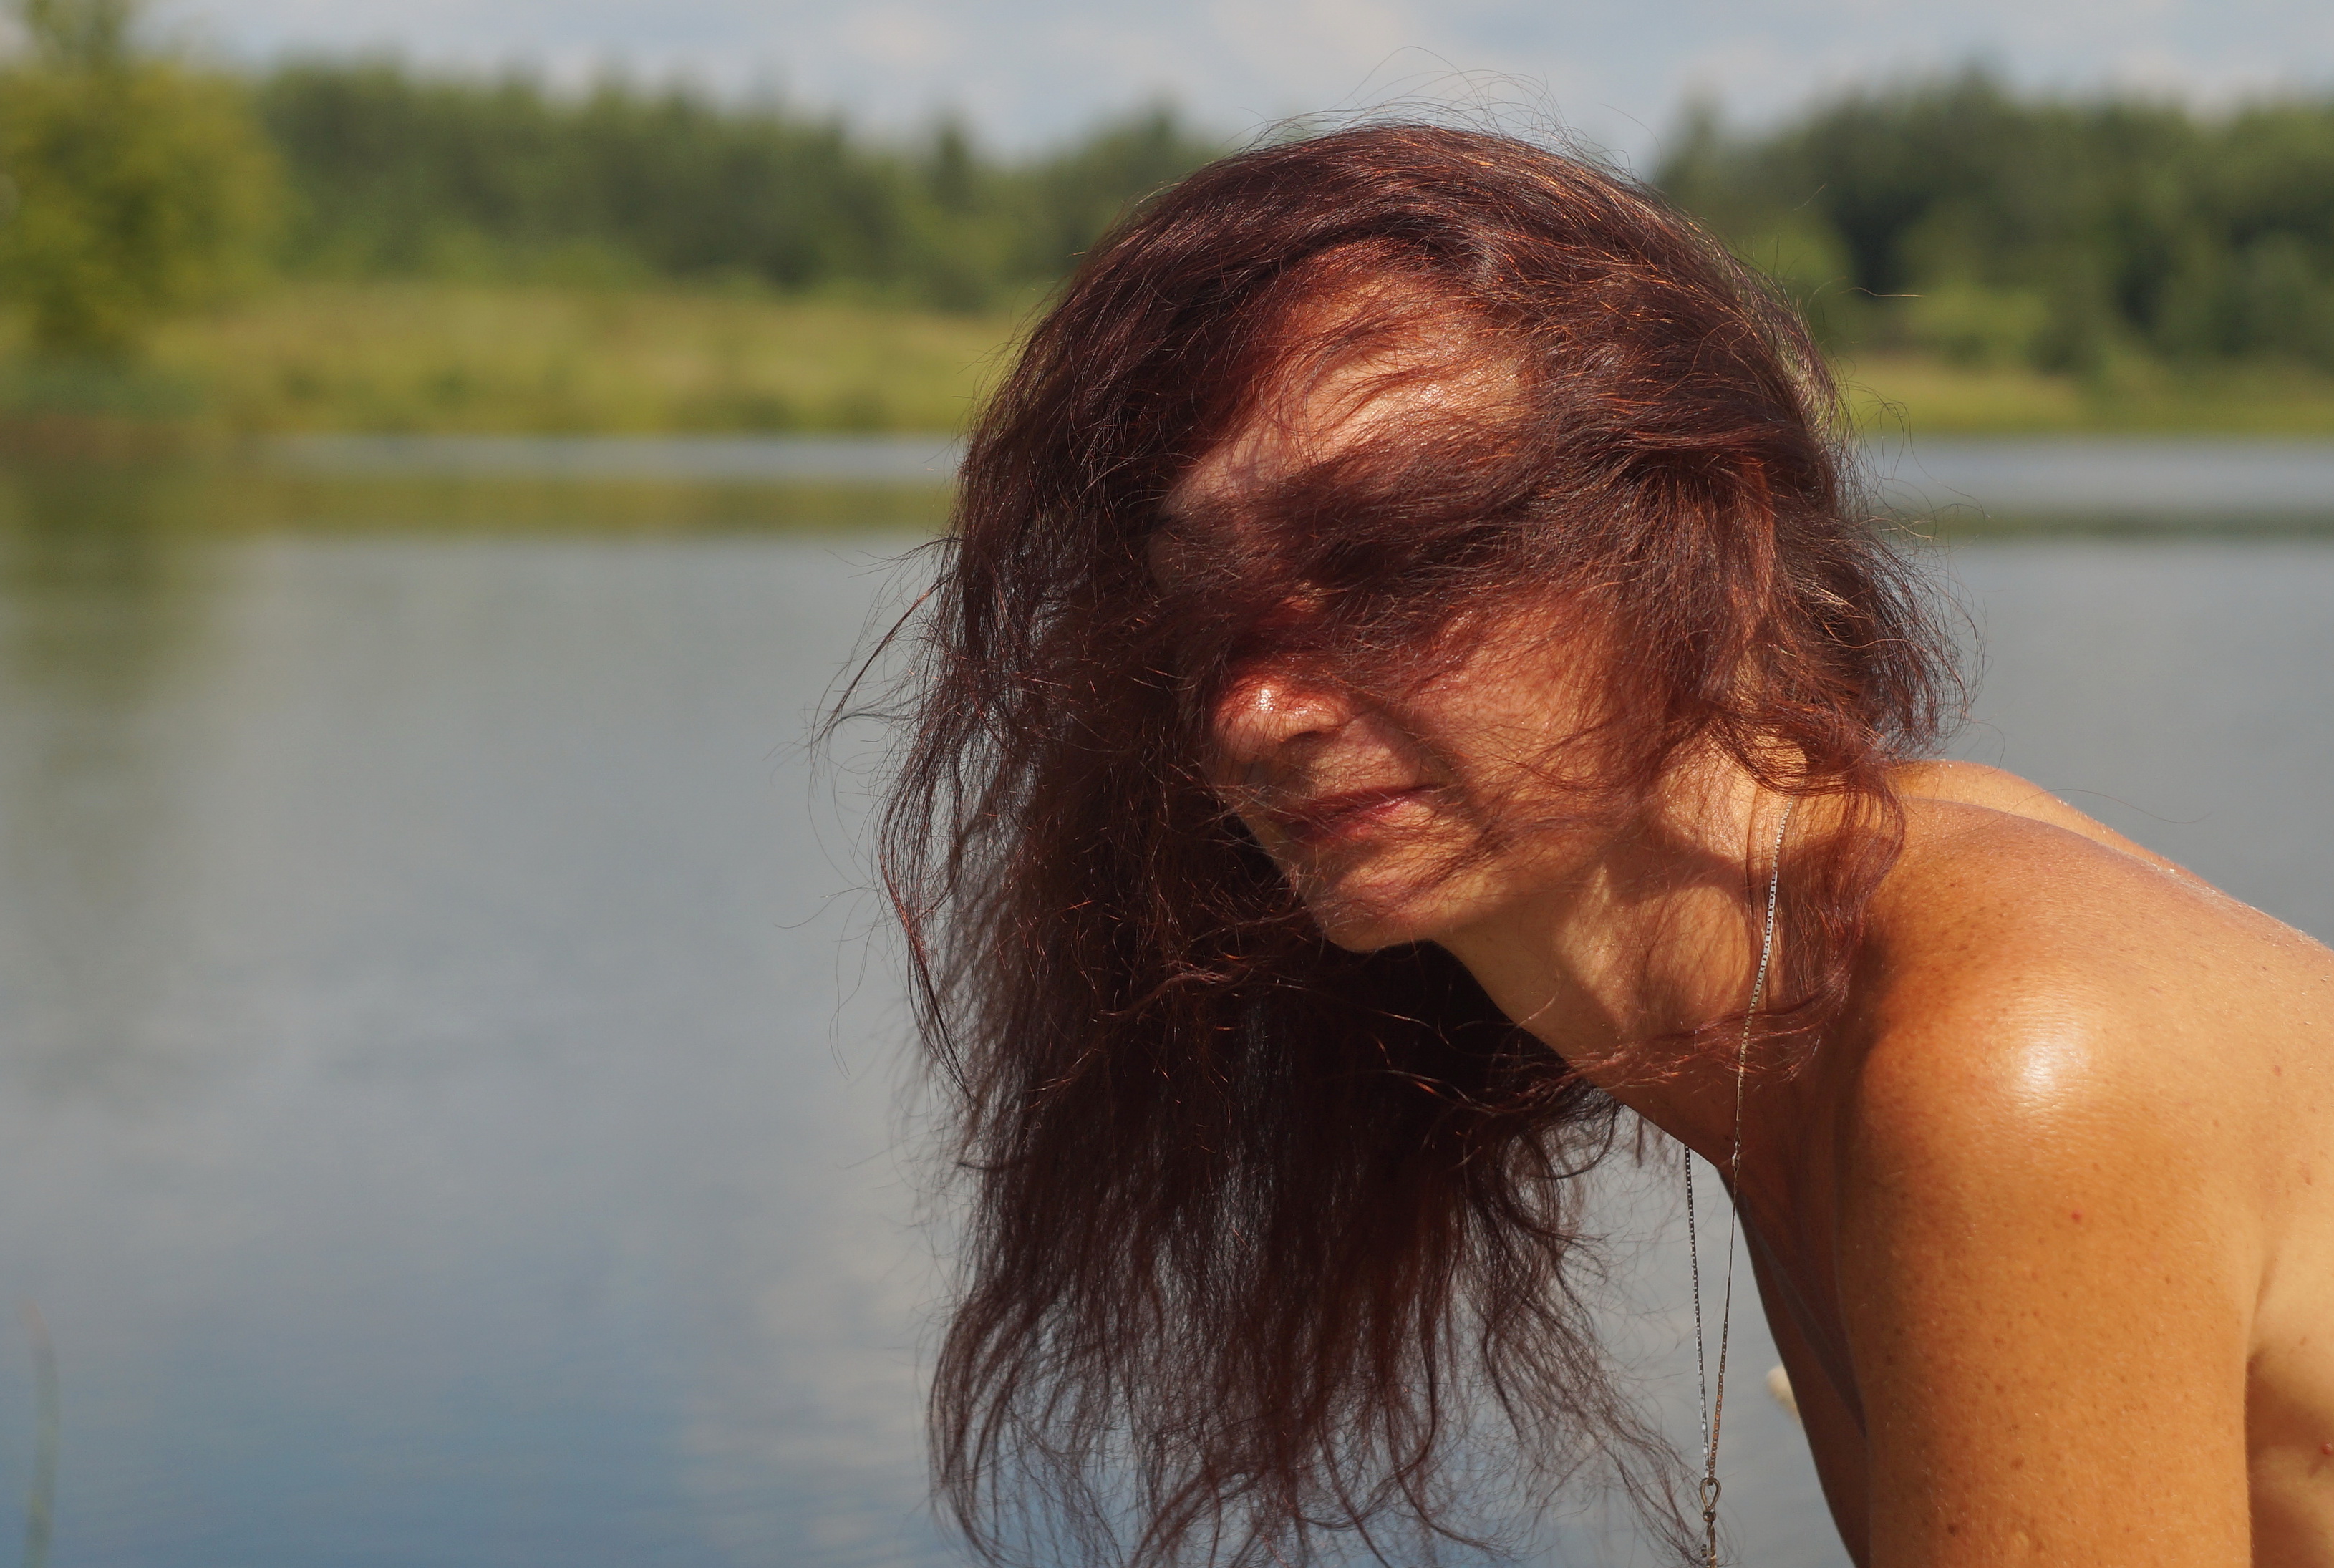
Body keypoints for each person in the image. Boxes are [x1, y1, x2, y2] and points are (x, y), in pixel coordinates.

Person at [875, 122, 2334, 1567]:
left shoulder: (2010, 1060)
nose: (1252, 710)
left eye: (1391, 561)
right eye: (1198, 610)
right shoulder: (1809, 975)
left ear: (1715, 541)